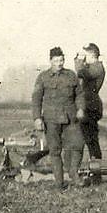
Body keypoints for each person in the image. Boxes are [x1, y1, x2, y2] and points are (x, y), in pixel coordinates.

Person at [32, 47, 86, 189]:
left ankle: (74, 173)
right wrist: (37, 118)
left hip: (71, 118)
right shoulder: (43, 77)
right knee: (55, 150)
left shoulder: (71, 75)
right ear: (50, 61)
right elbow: (36, 99)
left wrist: (81, 108)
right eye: (56, 61)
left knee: (78, 145)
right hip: (51, 119)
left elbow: (79, 94)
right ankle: (59, 182)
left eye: (61, 60)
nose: (59, 63)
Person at [74, 43, 106, 184]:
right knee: (90, 141)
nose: (84, 58)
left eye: (86, 55)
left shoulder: (97, 67)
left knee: (92, 142)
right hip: (87, 107)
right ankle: (94, 173)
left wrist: (78, 61)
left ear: (92, 55)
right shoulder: (92, 66)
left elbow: (82, 73)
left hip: (90, 108)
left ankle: (97, 174)